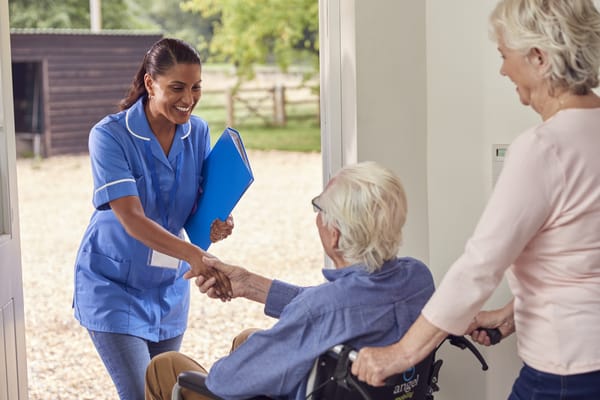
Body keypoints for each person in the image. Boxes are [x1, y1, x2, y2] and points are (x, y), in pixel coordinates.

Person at [352, 1, 600, 398]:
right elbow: (580, 255)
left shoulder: (543, 149)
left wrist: (401, 353)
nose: (503, 69)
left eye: (505, 55)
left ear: (539, 58)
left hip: (565, 376)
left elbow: (479, 266)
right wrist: (510, 315)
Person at [144, 161, 436, 400]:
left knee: (164, 366)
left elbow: (225, 381)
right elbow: (343, 307)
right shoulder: (418, 279)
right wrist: (249, 283)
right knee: (246, 338)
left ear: (333, 234)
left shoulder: (320, 310)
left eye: (319, 208)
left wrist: (254, 354)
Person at [72, 37, 234, 400]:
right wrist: (195, 256)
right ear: (150, 83)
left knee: (169, 390)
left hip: (167, 288)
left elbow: (198, 207)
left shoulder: (199, 132)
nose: (188, 99)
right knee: (140, 392)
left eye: (196, 88)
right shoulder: (109, 136)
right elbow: (131, 217)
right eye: (177, 87)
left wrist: (218, 222)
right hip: (112, 285)